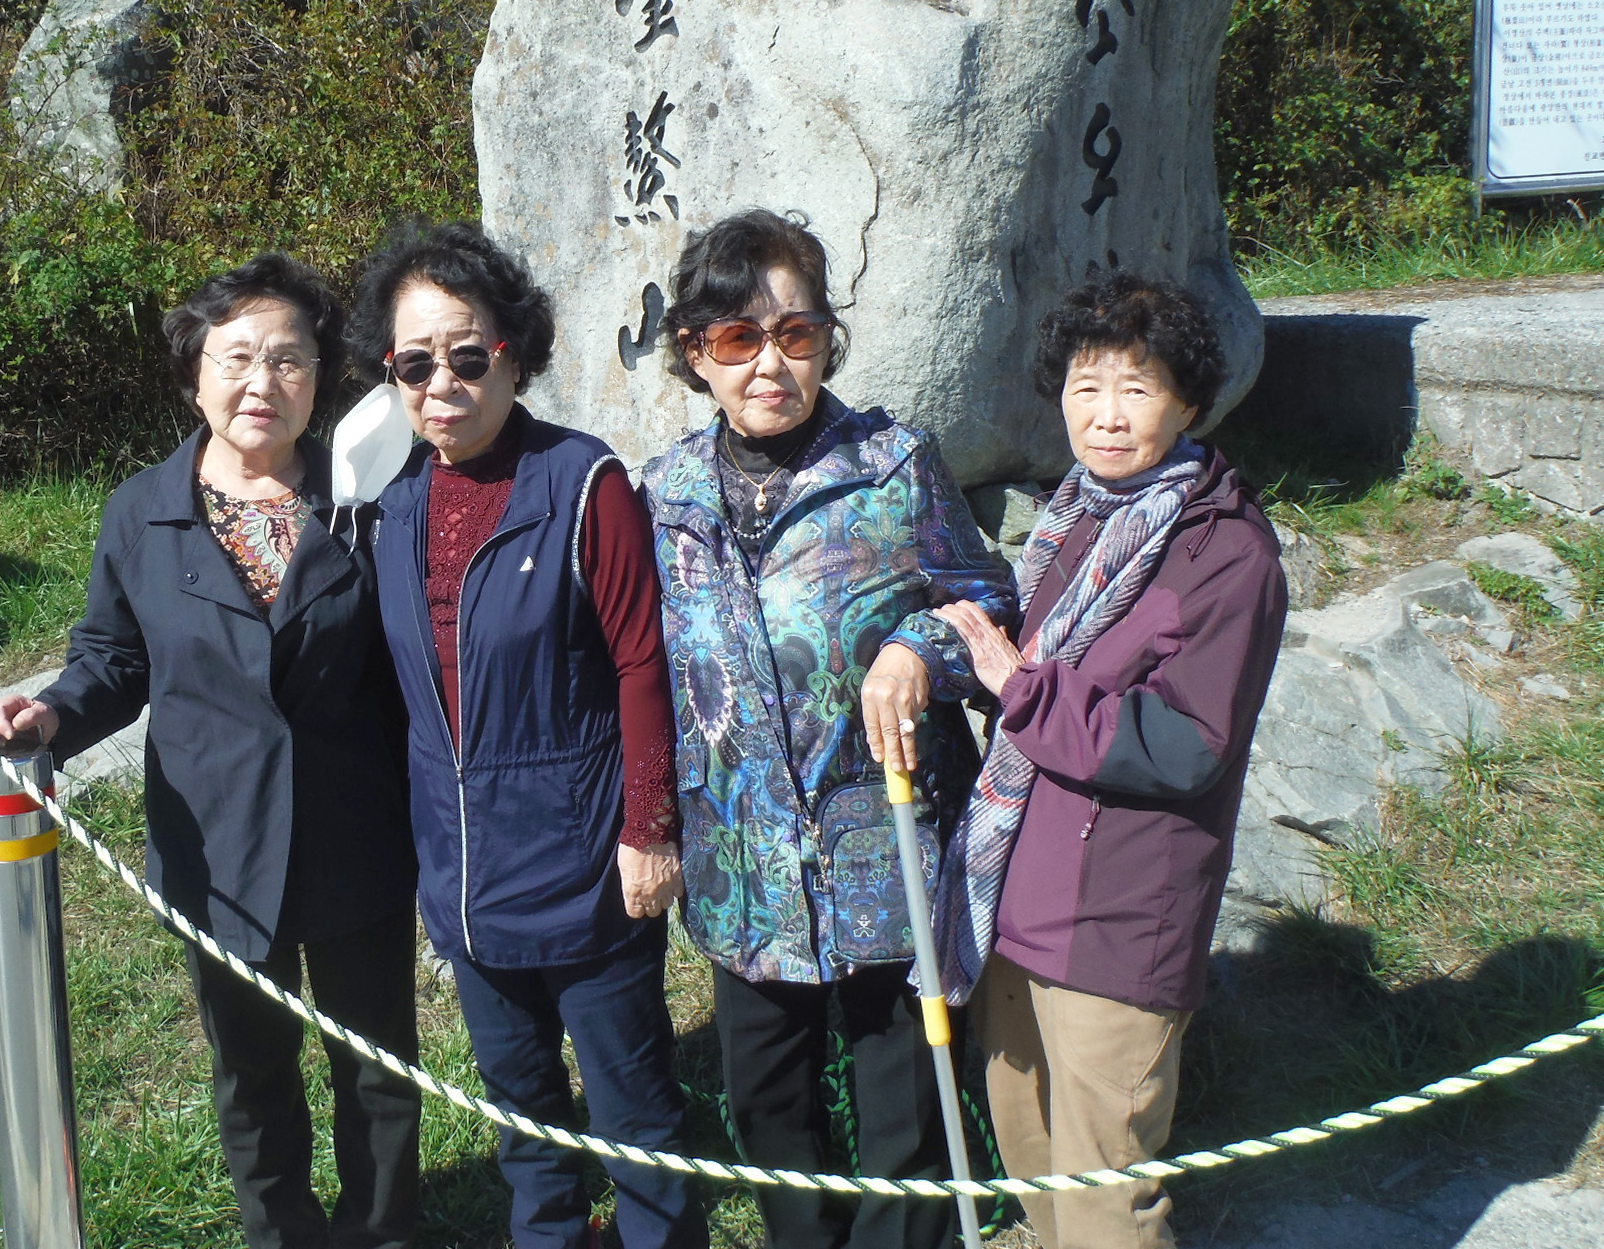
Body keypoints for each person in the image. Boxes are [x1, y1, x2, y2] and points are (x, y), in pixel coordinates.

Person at [0, 255, 420, 1249]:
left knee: (378, 1068)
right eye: (237, 358)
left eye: (290, 359)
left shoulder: (372, 496)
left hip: (355, 828)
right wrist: (49, 717)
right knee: (251, 1072)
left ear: (321, 377)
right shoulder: (143, 511)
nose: (263, 383)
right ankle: (282, 1234)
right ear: (194, 371)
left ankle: (381, 1233)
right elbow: (112, 659)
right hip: (216, 842)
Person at [640, 208, 1016, 1249]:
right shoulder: (664, 494)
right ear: (695, 352)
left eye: (795, 333)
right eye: (737, 338)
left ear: (825, 341)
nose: (770, 364)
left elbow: (989, 600)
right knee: (767, 1105)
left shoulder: (893, 467)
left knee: (905, 1105)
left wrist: (920, 648)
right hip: (741, 861)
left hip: (883, 847)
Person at [352, 222, 708, 1249]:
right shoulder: (392, 502)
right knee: (520, 1110)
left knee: (634, 1110)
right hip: (464, 869)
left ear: (515, 356)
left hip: (583, 859)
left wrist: (648, 827)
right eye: (414, 366)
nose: (443, 386)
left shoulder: (582, 482)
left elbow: (642, 662)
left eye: (469, 358)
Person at [930, 271, 1288, 1249]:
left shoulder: (1226, 554)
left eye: (1137, 388)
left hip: (1120, 913)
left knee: (1104, 1195)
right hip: (1014, 896)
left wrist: (1023, 690)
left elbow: (1184, 745)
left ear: (1188, 403)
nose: (1108, 415)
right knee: (1030, 1153)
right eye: (1086, 386)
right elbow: (1022, 660)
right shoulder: (1077, 515)